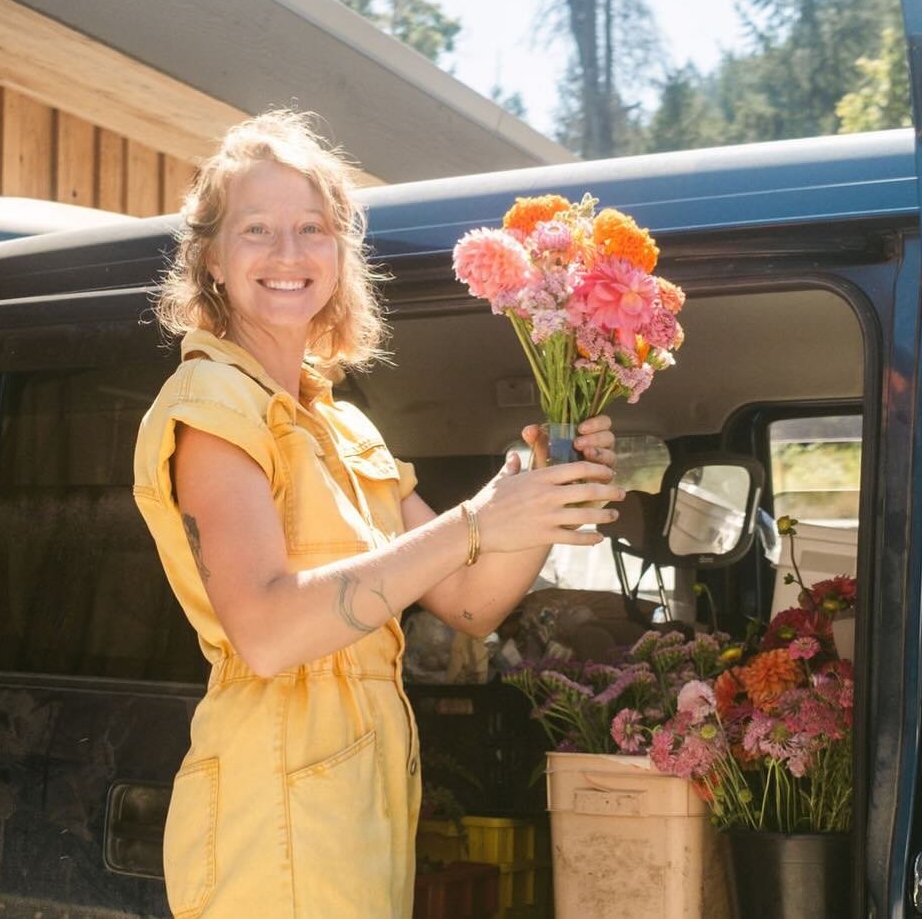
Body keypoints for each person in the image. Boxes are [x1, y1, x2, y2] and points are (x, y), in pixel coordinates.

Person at [131, 110, 626, 919]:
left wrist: (541, 489)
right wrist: (477, 521)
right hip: (271, 799)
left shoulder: (343, 424)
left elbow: (469, 603)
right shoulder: (210, 405)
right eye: (256, 230)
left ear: (339, 255)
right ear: (211, 259)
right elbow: (267, 634)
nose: (288, 253)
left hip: (361, 794)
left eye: (312, 229)